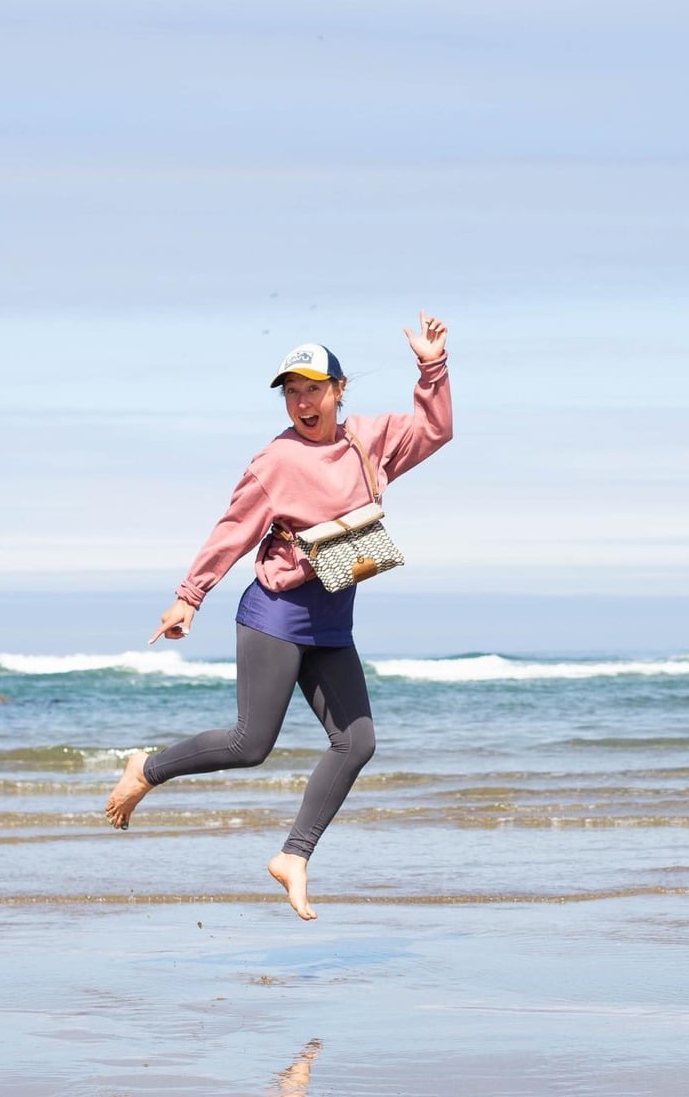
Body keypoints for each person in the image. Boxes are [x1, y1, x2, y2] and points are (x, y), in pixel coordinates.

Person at [105, 313, 454, 919]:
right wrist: (190, 596)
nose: (301, 401)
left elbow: (435, 429)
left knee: (357, 741)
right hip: (275, 612)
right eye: (291, 391)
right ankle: (148, 767)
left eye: (312, 388)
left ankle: (294, 856)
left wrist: (431, 366)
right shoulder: (276, 461)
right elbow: (233, 530)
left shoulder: (369, 441)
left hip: (331, 620)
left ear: (339, 391)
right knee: (250, 743)